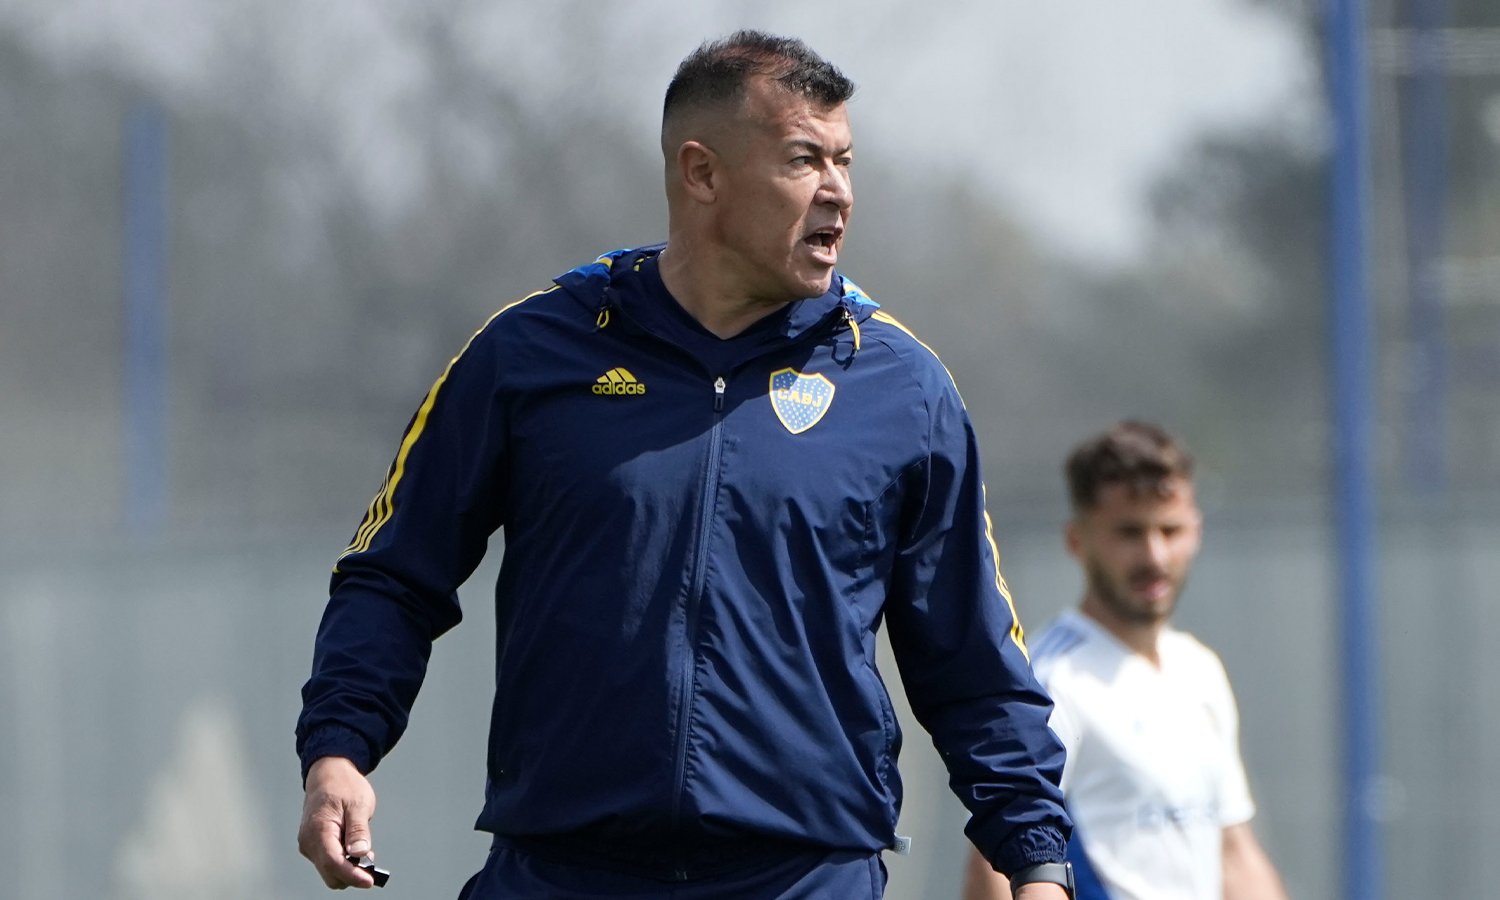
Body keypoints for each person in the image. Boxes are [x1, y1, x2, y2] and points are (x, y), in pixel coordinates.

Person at [296, 30, 1073, 899]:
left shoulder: (901, 386)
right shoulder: (529, 353)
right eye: (804, 159)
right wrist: (338, 749)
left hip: (803, 878)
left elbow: (969, 652)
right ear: (701, 174)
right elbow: (393, 577)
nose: (839, 193)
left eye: (846, 161)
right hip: (560, 873)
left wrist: (1036, 861)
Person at [963, 421, 1289, 900]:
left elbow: (1232, 852)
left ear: (1196, 531)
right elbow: (994, 869)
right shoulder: (1050, 684)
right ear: (1077, 539)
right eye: (1130, 533)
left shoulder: (1199, 670)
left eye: (1170, 529)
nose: (1155, 555)